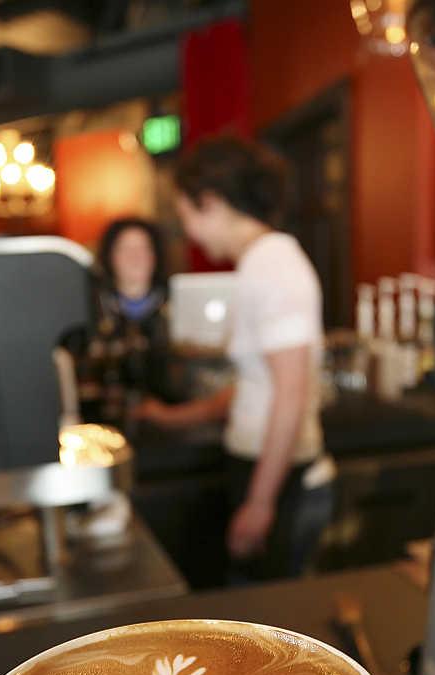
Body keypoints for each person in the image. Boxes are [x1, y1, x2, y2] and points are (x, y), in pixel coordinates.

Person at [135, 135, 334, 581]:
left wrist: (260, 503)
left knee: (268, 627)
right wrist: (171, 418)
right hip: (268, 471)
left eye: (184, 213)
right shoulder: (261, 263)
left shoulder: (273, 265)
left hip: (283, 481)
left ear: (212, 202)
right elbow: (256, 387)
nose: (187, 230)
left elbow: (291, 391)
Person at [54, 217, 174, 429]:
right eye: (125, 249)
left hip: (171, 428)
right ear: (110, 257)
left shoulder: (175, 309)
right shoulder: (87, 314)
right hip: (105, 429)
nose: (135, 257)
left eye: (143, 248)